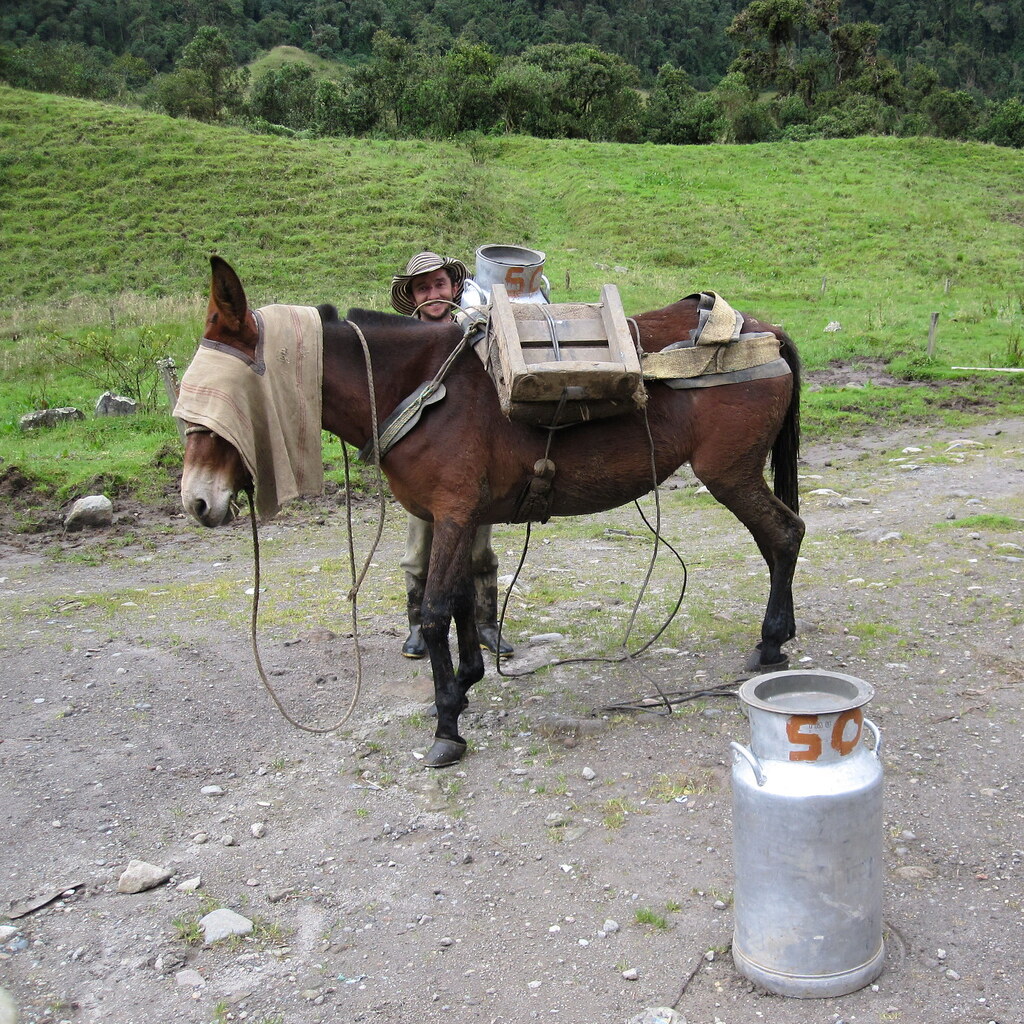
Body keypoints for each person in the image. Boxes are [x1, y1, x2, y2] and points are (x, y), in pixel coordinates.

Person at [389, 251, 513, 659]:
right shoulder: (402, 343)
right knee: (419, 551)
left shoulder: (476, 330)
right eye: (422, 287)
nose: (432, 293)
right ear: (411, 296)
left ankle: (485, 624)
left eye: (439, 284)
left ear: (455, 286)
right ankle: (418, 627)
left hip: (473, 459)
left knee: (478, 548)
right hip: (422, 465)